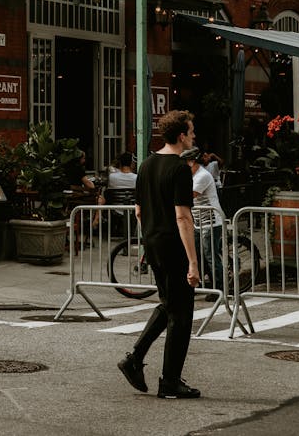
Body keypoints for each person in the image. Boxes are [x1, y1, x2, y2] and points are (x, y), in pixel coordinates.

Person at [117, 109, 201, 400]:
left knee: (169, 305)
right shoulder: (179, 169)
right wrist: (192, 261)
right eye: (191, 133)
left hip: (153, 243)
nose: (194, 137)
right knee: (182, 313)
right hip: (173, 245)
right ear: (181, 136)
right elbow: (183, 218)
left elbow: (139, 211)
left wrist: (150, 236)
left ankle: (134, 359)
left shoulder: (148, 165)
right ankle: (169, 381)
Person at [181, 147, 225, 293]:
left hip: (212, 221)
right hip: (198, 222)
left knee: (210, 256)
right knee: (197, 254)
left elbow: (189, 195)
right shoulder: (191, 175)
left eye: (186, 164)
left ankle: (220, 288)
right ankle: (199, 284)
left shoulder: (202, 176)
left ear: (192, 162)